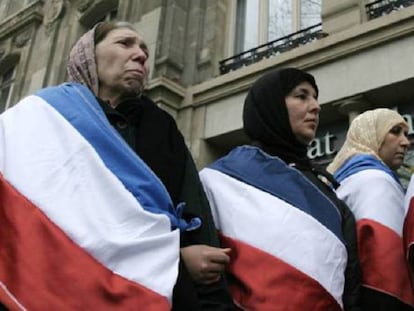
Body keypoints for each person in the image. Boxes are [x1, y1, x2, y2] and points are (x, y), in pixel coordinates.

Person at [0, 21, 235, 310]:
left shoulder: (161, 128)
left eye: (144, 50)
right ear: (87, 56)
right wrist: (177, 261)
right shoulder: (41, 116)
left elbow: (195, 215)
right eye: (125, 44)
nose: (140, 55)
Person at [200, 67, 362, 311]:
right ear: (271, 105)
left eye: (315, 97)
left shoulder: (329, 197)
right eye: (301, 96)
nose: (316, 106)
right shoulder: (221, 179)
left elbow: (349, 286)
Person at [327, 108, 414, 310]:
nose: (405, 142)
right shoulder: (376, 181)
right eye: (395, 131)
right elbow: (386, 277)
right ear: (370, 133)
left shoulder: (341, 181)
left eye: (406, 134)